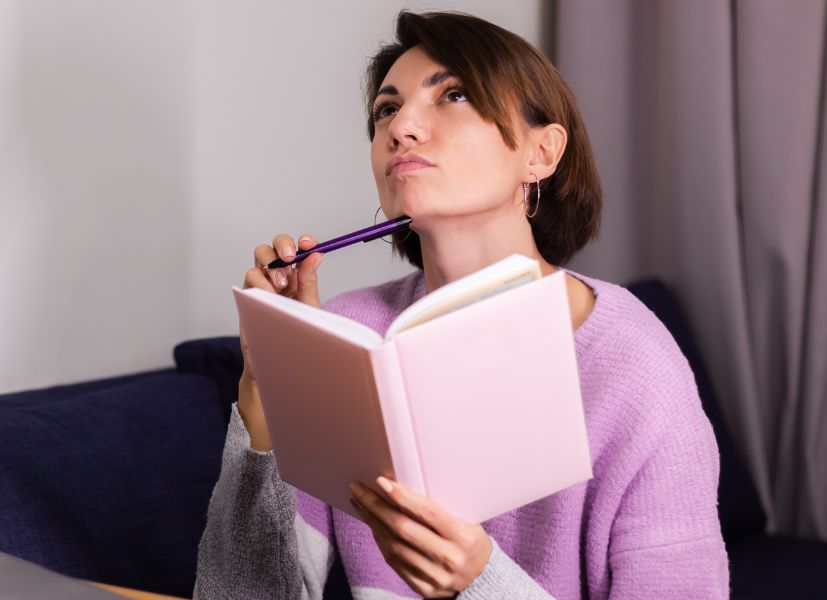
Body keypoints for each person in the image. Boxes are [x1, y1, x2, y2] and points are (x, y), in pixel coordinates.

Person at [194, 10, 729, 600]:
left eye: (454, 94)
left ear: (542, 154)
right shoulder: (349, 333)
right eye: (386, 110)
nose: (402, 129)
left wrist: (478, 583)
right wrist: (268, 398)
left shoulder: (631, 362)